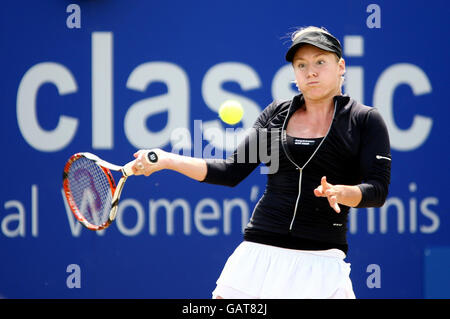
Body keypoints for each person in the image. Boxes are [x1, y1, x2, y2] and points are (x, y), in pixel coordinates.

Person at [131, 26, 391, 299]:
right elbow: (230, 171)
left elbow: (377, 190)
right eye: (301, 65)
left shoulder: (365, 120)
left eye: (320, 62)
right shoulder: (276, 113)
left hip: (322, 263)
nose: (310, 71)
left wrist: (343, 192)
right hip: (257, 256)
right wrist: (166, 159)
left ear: (341, 66)